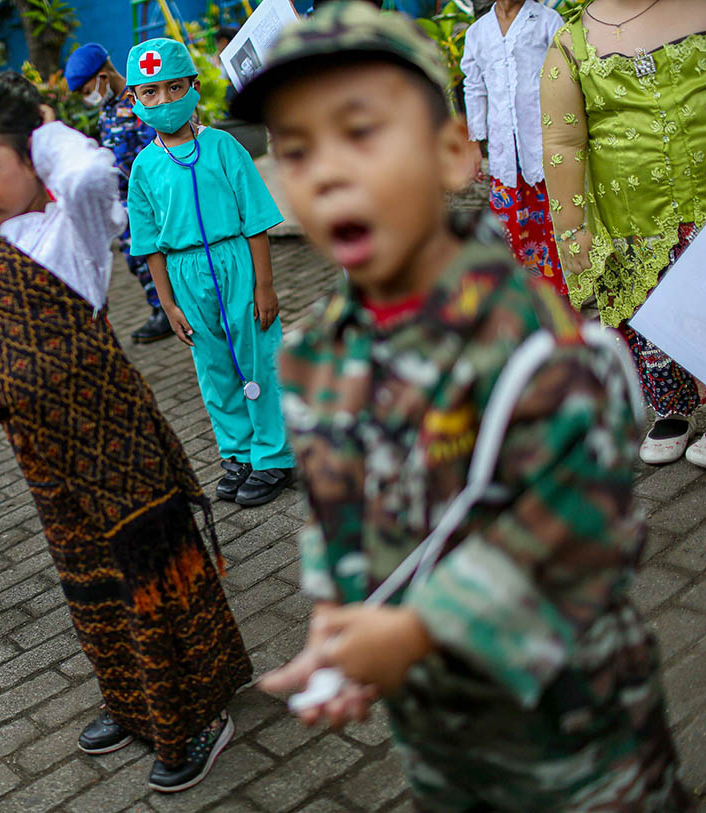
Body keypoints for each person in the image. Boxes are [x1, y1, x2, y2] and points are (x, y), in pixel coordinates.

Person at [231, 3, 690, 808]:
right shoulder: (312, 357)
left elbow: (589, 531)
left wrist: (413, 631)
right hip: (441, 742)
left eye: (361, 131)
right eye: (294, 148)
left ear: (451, 153)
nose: (327, 170)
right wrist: (339, 628)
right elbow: (337, 519)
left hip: (580, 737)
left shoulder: (533, 331)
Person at [0, 71, 251, 794]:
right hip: (45, 456)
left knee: (151, 574)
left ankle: (196, 714)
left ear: (34, 157)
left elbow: (87, 170)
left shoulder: (67, 228)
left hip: (119, 446)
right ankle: (137, 703)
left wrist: (35, 131)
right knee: (91, 581)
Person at [126, 38, 294, 506]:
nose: (164, 101)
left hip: (236, 260)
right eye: (150, 93)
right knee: (215, 368)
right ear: (135, 99)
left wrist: (265, 284)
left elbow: (255, 218)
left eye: (174, 88)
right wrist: (167, 303)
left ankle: (274, 456)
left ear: (194, 87)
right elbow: (148, 245)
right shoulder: (143, 168)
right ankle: (238, 451)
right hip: (185, 275)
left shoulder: (223, 146)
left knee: (258, 355)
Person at [541, 0, 706, 467]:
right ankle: (672, 408)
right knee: (649, 313)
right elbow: (562, 143)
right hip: (634, 222)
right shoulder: (571, 45)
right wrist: (571, 227)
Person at [64, 43, 171, 343]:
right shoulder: (107, 112)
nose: (89, 97)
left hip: (152, 196)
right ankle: (161, 308)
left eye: (88, 89)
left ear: (103, 76)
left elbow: (154, 150)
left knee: (161, 251)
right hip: (125, 202)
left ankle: (172, 308)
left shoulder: (140, 101)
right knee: (138, 257)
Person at [461, 0, 565, 292]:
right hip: (504, 156)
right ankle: (521, 296)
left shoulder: (547, 21)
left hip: (544, 148)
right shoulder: (478, 33)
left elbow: (564, 80)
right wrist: (474, 144)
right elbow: (474, 88)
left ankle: (560, 297)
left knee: (553, 225)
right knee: (509, 230)